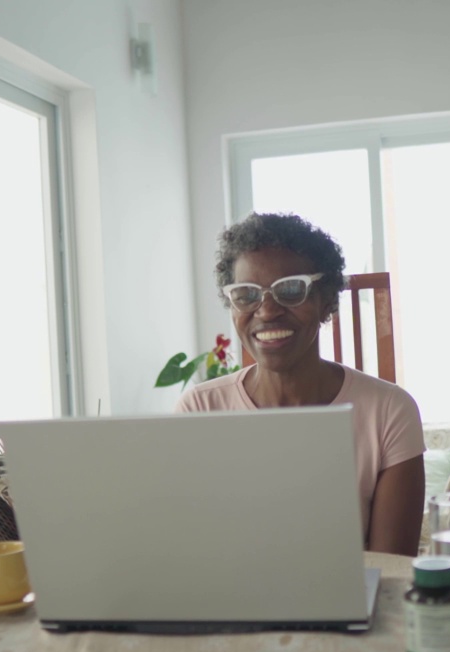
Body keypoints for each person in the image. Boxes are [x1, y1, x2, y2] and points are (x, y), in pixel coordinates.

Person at [176, 212, 425, 556]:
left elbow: (391, 568)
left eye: (291, 290)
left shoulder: (388, 412)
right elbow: (190, 551)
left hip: (353, 606)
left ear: (326, 301)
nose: (266, 311)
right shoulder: (200, 411)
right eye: (246, 294)